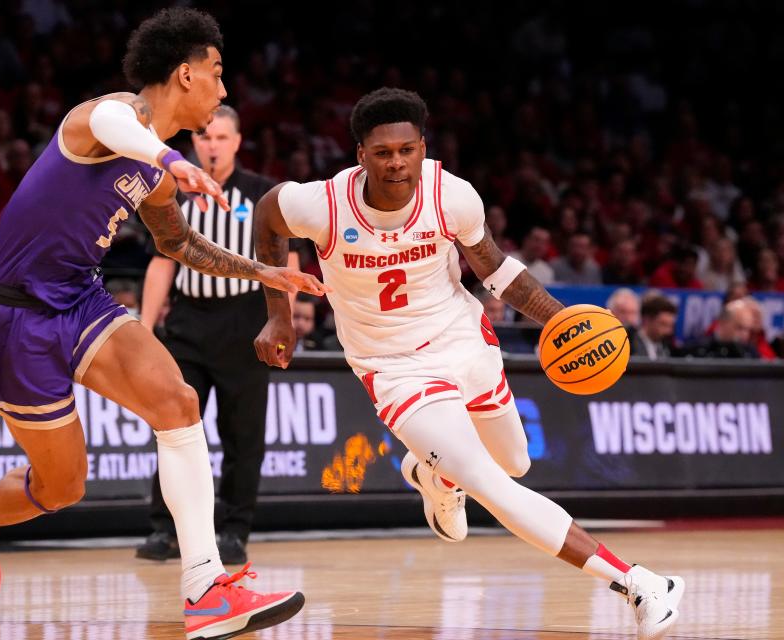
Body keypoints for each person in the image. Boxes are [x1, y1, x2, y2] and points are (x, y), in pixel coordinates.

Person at [0, 9, 326, 639]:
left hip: (79, 299)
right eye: (217, 73)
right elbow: (116, 124)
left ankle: (205, 584)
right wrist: (167, 160)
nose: (224, 90)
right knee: (61, 488)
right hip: (13, 317)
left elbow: (180, 246)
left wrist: (266, 274)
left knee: (177, 401)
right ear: (185, 73)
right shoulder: (103, 118)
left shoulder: (158, 171)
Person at [252, 88, 685, 640]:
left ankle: (431, 472)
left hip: (462, 338)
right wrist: (280, 315)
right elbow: (267, 221)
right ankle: (640, 583)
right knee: (489, 484)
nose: (396, 163)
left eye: (407, 150)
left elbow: (495, 269)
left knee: (514, 465)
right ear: (360, 154)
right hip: (392, 365)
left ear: (422, 147)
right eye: (383, 152)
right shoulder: (321, 204)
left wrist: (560, 321)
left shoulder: (451, 195)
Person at [136, 105, 283, 566]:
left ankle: (235, 530)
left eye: (221, 138)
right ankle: (165, 528)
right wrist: (143, 327)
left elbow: (285, 262)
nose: (213, 146)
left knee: (243, 437)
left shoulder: (261, 193)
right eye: (205, 138)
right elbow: (161, 262)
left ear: (237, 142)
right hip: (188, 322)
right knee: (174, 429)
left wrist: (283, 319)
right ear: (194, 144)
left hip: (246, 321)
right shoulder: (174, 193)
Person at [629, 294, 678, 360]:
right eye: (663, 324)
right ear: (647, 320)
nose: (668, 331)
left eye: (671, 325)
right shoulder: (629, 344)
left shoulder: (669, 348)